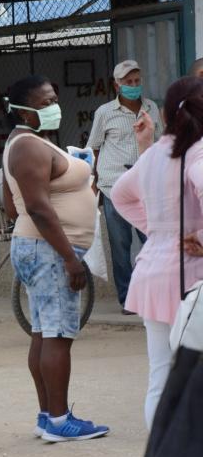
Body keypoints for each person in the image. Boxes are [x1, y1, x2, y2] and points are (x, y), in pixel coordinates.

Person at [2, 75, 109, 442]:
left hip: (40, 247)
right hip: (50, 250)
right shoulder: (29, 146)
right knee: (59, 334)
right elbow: (36, 207)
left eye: (54, 99)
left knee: (44, 332)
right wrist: (69, 258)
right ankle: (60, 422)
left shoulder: (25, 143)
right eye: (45, 102)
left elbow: (10, 203)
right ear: (24, 111)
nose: (53, 106)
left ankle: (48, 415)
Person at [112, 76, 203, 429]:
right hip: (190, 278)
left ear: (165, 115)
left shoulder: (154, 156)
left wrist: (159, 232)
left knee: (160, 375)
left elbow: (120, 195)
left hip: (153, 273)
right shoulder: (197, 152)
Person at [86, 60, 163, 313]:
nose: (133, 86)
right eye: (127, 82)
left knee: (153, 242)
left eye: (136, 81)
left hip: (146, 186)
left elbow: (162, 143)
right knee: (120, 246)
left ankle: (155, 294)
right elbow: (94, 148)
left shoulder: (152, 108)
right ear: (116, 85)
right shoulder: (104, 112)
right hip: (113, 187)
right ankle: (128, 298)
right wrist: (93, 183)